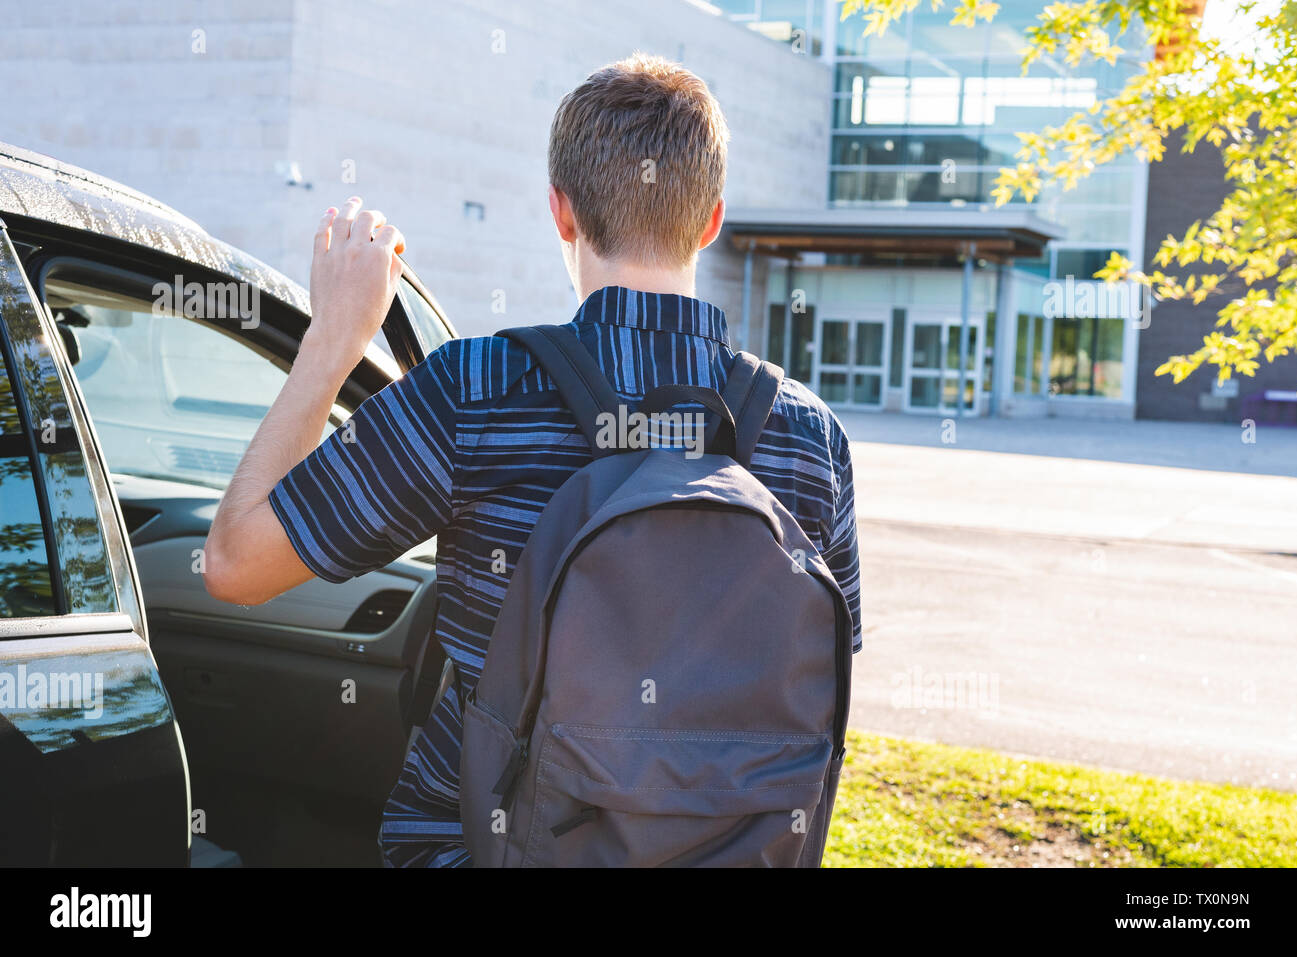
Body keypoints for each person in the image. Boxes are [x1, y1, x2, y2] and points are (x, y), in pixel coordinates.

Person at [203, 52, 862, 866]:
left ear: (560, 210)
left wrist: (334, 340)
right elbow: (819, 679)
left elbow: (235, 563)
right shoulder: (810, 438)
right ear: (712, 220)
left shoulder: (478, 391)